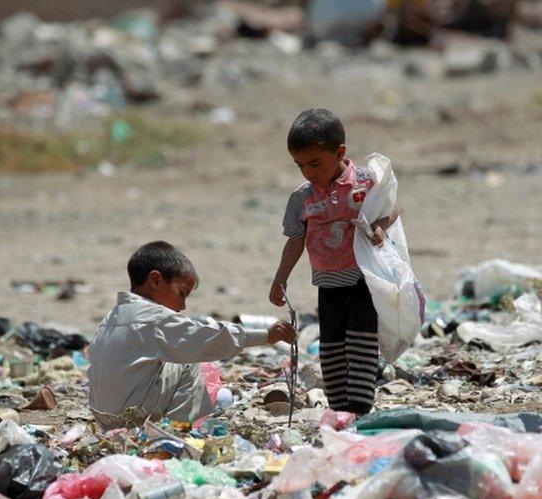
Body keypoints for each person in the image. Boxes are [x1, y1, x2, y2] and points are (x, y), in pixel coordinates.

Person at [270, 108, 398, 416]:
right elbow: (296, 240)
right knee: (332, 351)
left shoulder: (366, 181)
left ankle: (359, 410)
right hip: (328, 283)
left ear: (340, 152)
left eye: (315, 163)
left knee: (362, 345)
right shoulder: (302, 198)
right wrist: (280, 278)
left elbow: (392, 208)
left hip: (362, 280)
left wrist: (380, 226)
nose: (308, 172)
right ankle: (340, 410)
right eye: (300, 165)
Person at [88, 241, 296, 429]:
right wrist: (265, 336)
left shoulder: (111, 318)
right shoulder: (154, 317)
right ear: (155, 280)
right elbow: (206, 338)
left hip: (103, 419)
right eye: (182, 293)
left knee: (177, 353)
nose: (182, 306)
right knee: (186, 361)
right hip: (129, 418)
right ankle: (177, 435)